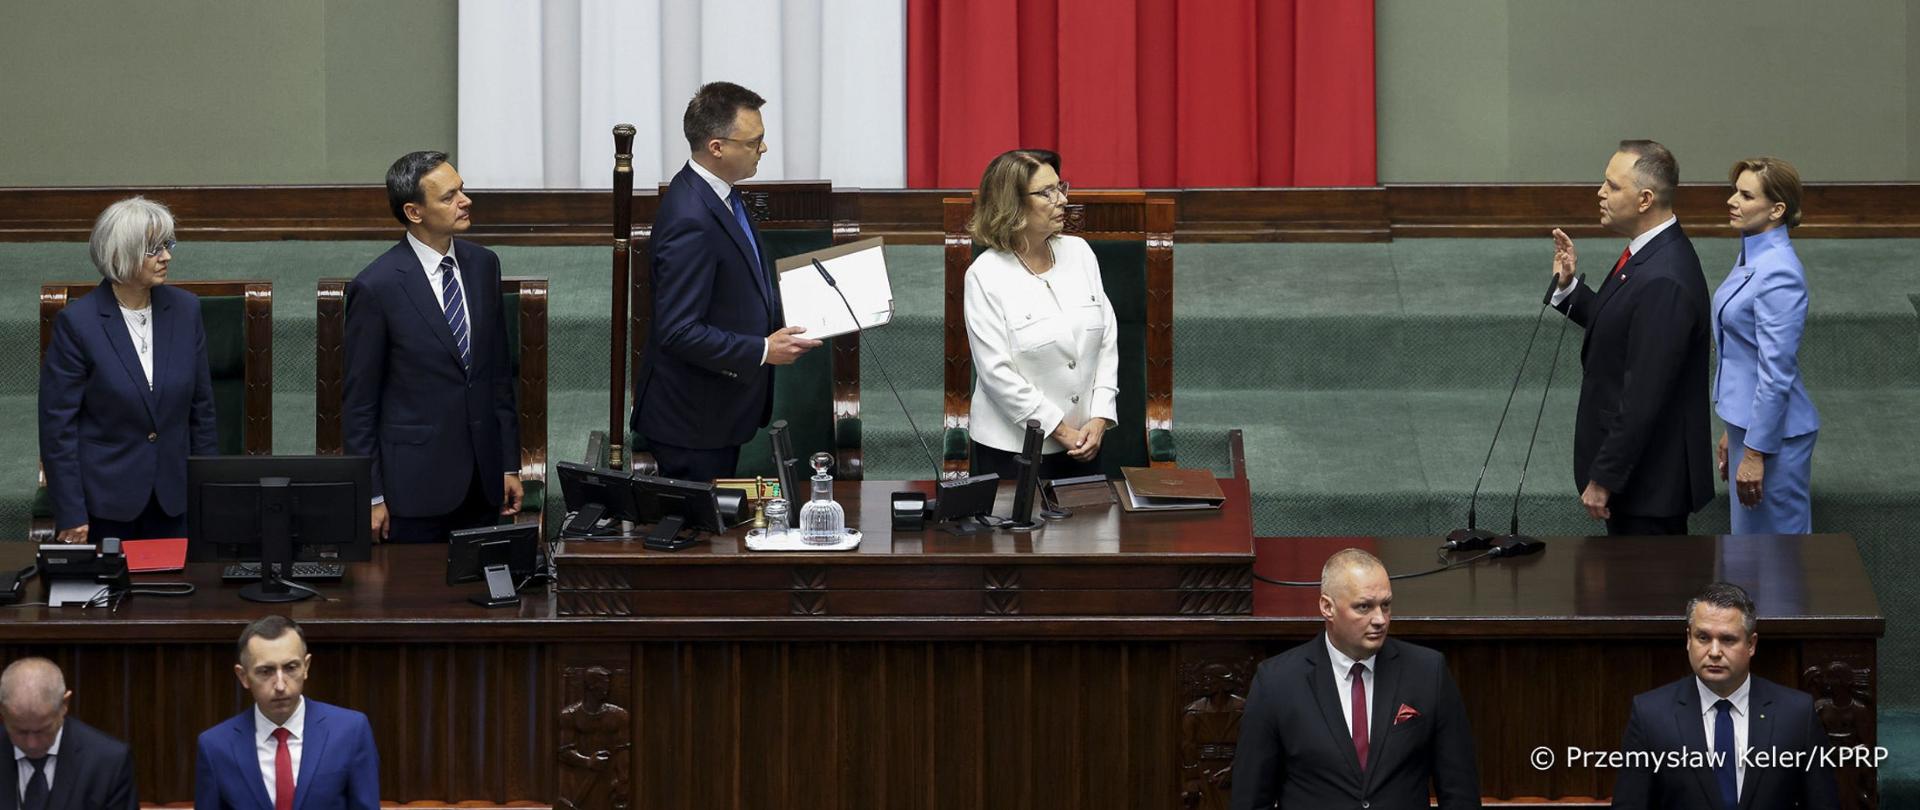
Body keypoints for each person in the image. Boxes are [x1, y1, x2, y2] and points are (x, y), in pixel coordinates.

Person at [631, 81, 817, 482]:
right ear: (716, 147)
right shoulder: (690, 217)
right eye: (754, 142)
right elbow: (679, 331)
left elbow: (742, 283)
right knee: (699, 521)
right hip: (691, 423)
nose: (763, 149)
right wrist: (763, 350)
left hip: (715, 411)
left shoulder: (720, 194)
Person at [342, 151, 521, 543]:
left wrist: (509, 464)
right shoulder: (376, 287)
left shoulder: (484, 265)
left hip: (483, 482)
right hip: (413, 488)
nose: (465, 201)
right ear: (414, 212)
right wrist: (371, 494)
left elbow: (498, 375)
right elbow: (359, 406)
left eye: (462, 190)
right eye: (449, 197)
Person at [1228, 548, 1480, 809]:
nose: (1380, 619)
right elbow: (1250, 800)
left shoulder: (1428, 672)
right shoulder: (1277, 682)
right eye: (1364, 607)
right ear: (1327, 607)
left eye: (1385, 605)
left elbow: (1460, 793)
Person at [1549, 140, 1713, 535]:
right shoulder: (1650, 255)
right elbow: (1624, 326)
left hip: (1648, 486)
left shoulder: (1664, 277)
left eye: (1612, 185)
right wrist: (1569, 289)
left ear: (1645, 199)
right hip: (1640, 480)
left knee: (1647, 577)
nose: (1600, 193)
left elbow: (1644, 393)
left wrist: (1605, 476)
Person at [38, 196, 217, 543]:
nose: (166, 257)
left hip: (174, 502)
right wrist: (71, 512)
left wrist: (208, 495)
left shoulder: (186, 311)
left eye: (167, 245)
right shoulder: (78, 324)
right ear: (121, 254)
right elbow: (57, 427)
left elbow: (202, 412)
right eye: (154, 249)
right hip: (104, 505)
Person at [962, 149, 1120, 480]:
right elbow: (995, 373)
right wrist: (1059, 429)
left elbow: (1106, 338)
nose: (1062, 200)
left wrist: (1100, 417)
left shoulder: (1079, 253)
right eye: (1047, 193)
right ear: (1012, 204)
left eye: (1060, 187)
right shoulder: (985, 275)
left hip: (1085, 443)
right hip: (1014, 451)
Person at [1611, 582, 1838, 809]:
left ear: (1751, 644)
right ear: (1688, 639)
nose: (1714, 652)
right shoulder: (1651, 715)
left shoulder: (1796, 714)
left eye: (1728, 639)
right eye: (1703, 637)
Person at [1713, 157, 1819, 533]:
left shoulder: (1779, 272)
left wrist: (1755, 450)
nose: (1732, 201)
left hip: (1775, 441)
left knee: (1776, 556)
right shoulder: (1753, 253)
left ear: (1777, 210)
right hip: (1752, 427)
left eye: (1746, 195)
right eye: (1735, 192)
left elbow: (1776, 372)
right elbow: (1744, 350)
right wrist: (1734, 429)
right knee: (1749, 554)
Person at [195, 615, 378, 810]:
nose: (281, 686)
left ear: (306, 667)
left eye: (291, 668)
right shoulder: (215, 747)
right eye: (266, 671)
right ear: (243, 676)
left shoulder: (350, 731)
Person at [0, 658, 137, 810]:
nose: (32, 744)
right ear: (2, 710)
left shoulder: (109, 762)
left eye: (42, 730)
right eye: (21, 731)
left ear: (64, 704)